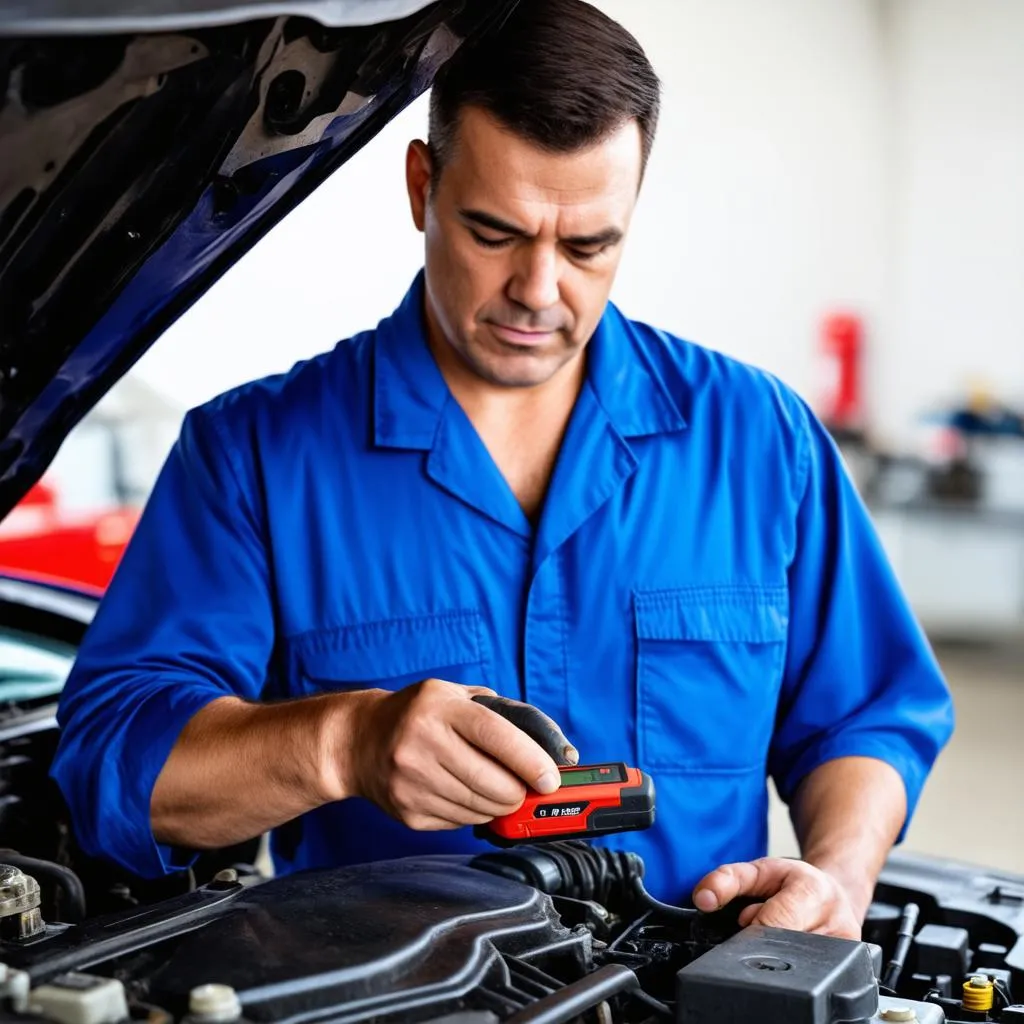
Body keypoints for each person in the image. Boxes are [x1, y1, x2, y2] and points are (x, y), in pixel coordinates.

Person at [52, 0, 954, 938]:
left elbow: (869, 716)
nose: (538, 290)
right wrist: (343, 743)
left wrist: (839, 880)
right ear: (421, 188)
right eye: (495, 233)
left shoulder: (759, 437)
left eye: (586, 246)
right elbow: (116, 770)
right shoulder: (252, 457)